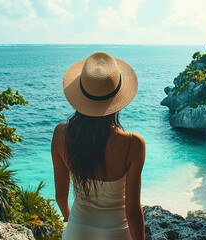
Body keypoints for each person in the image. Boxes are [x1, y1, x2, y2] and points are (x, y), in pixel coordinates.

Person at [51, 52, 146, 240]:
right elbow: (133, 212)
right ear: (117, 99)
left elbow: (61, 197)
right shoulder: (133, 144)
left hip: (75, 233)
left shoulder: (61, 134)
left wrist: (72, 220)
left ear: (80, 95)